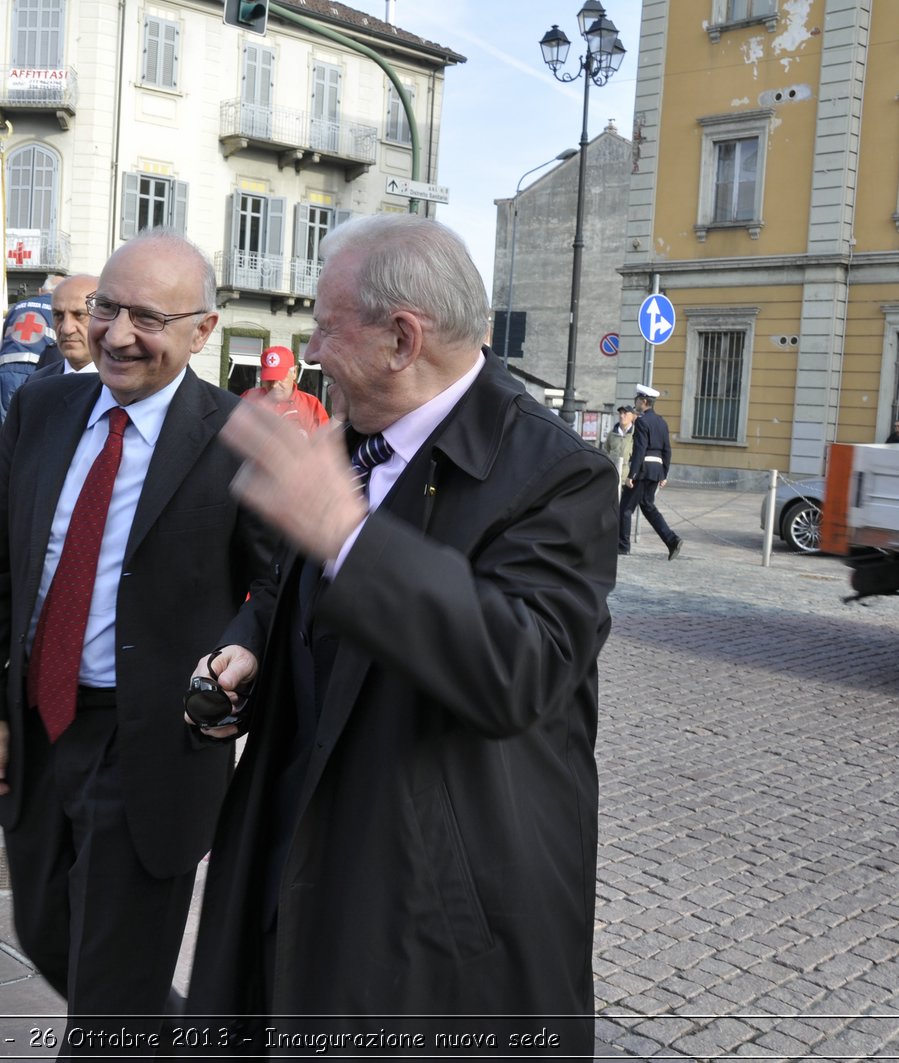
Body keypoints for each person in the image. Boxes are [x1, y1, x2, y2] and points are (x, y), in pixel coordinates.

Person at [183, 215, 617, 1053]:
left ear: (400, 338)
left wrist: (347, 536)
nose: (310, 348)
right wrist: (250, 643)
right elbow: (295, 594)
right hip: (295, 856)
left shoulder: (561, 473)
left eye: (324, 323)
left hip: (424, 913)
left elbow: (518, 667)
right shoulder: (349, 439)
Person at [0, 231, 277, 1048]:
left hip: (157, 746)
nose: (118, 333)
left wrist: (242, 646)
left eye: (148, 317)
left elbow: (279, 586)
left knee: (112, 987)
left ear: (203, 330)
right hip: (39, 727)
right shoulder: (40, 406)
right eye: (106, 307)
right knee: (53, 937)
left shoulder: (242, 436)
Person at [619, 383, 682, 559]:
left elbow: (640, 449)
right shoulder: (662, 422)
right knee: (648, 507)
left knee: (625, 508)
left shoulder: (642, 422)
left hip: (643, 471)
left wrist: (632, 475)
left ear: (644, 401)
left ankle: (623, 546)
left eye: (638, 400)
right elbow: (667, 450)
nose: (636, 403)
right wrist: (664, 474)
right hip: (656, 471)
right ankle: (672, 540)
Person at [0, 275, 64, 418]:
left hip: (4, 371)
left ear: (41, 291)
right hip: (38, 373)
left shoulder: (17, 307)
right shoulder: (59, 312)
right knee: (31, 426)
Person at [240, 345, 329, 436]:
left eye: (280, 378)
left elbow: (326, 444)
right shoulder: (248, 399)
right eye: (269, 379)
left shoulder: (312, 406)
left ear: (294, 372)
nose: (274, 385)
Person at [27, 273, 99, 381]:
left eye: (79, 315)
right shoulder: (36, 383)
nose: (66, 329)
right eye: (58, 315)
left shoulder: (124, 388)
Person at [600, 403, 636, 497]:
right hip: (612, 475)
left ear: (632, 416)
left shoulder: (635, 433)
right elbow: (605, 451)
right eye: (620, 413)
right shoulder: (612, 433)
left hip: (628, 477)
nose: (621, 416)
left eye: (625, 413)